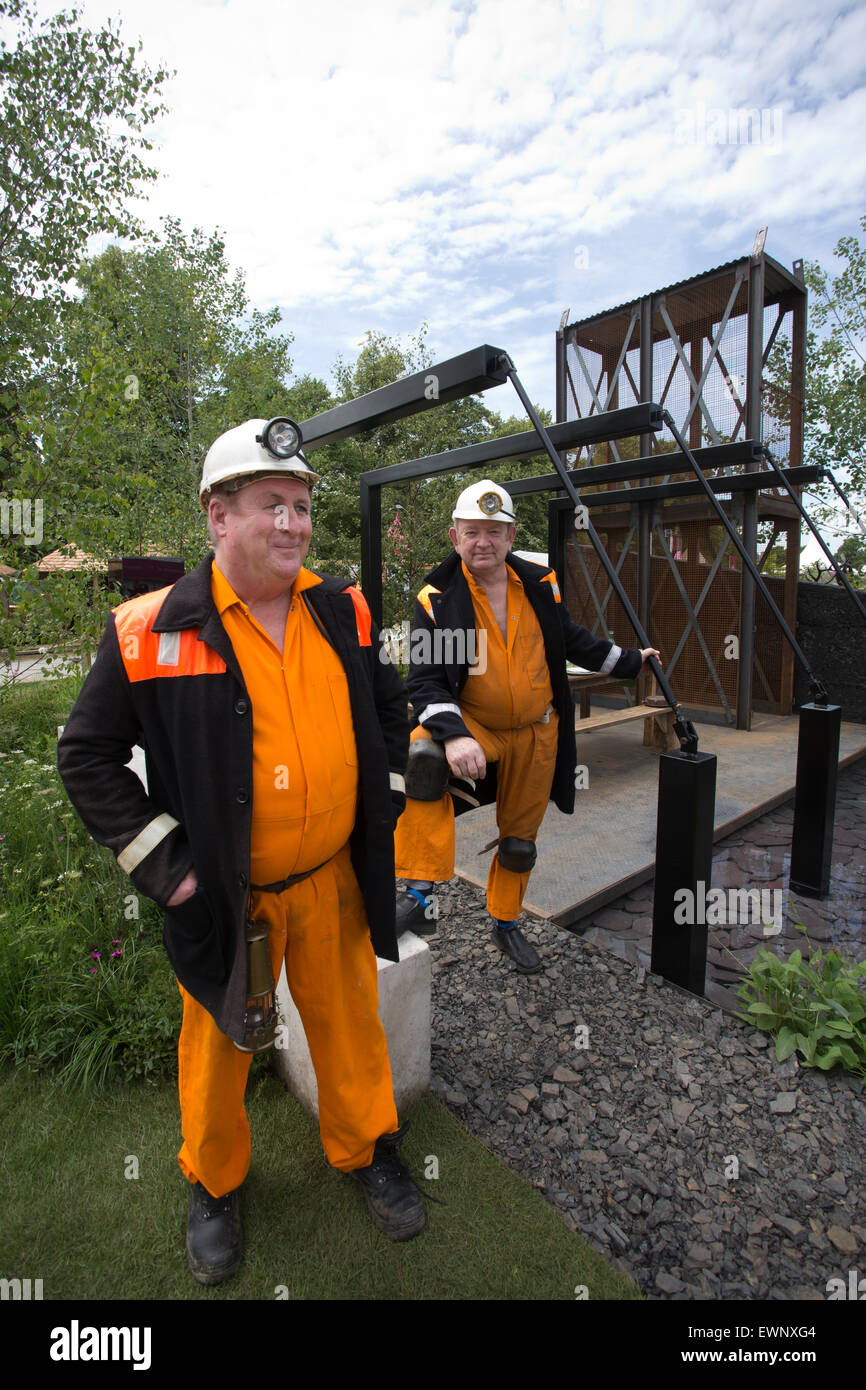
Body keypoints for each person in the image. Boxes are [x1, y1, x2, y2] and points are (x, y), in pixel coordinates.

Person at [57, 418, 423, 1286]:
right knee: (218, 1047)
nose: (293, 524)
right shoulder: (150, 630)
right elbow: (85, 755)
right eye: (271, 505)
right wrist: (168, 872)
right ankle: (214, 1184)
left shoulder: (346, 609)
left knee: (350, 1027)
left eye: (301, 506)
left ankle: (366, 1147)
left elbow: (389, 705)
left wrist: (386, 803)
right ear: (217, 516)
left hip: (331, 879)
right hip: (227, 897)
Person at [393, 478, 660, 973]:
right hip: (479, 723)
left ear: (511, 536)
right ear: (455, 537)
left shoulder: (539, 582)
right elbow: (427, 682)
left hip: (538, 730)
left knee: (519, 842)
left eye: (494, 531)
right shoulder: (439, 598)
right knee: (423, 758)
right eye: (472, 532)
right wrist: (454, 734)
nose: (483, 542)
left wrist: (628, 661)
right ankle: (418, 894)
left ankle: (507, 923)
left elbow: (571, 639)